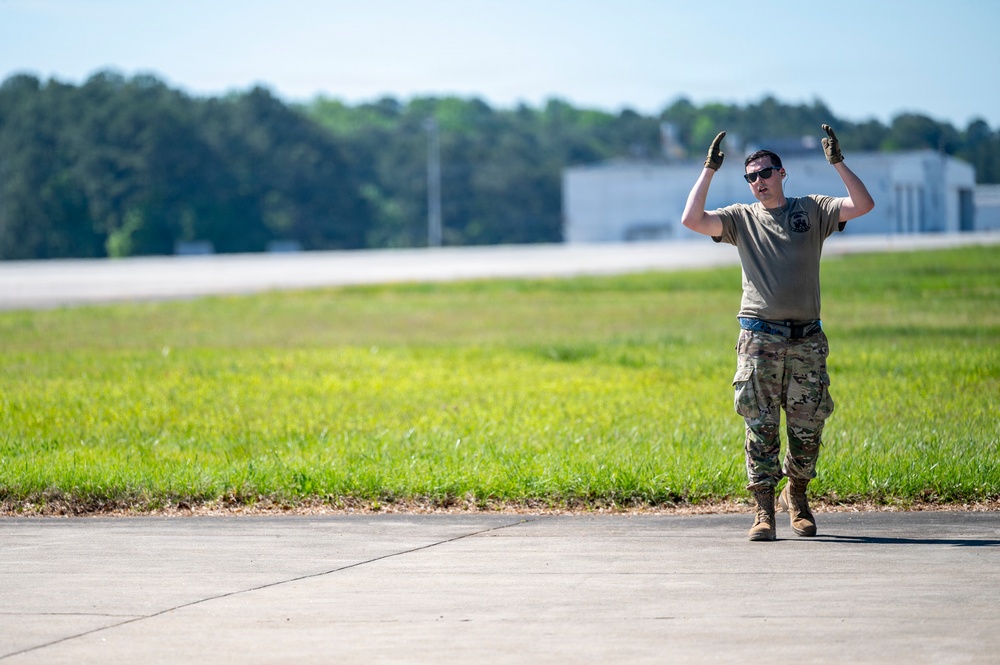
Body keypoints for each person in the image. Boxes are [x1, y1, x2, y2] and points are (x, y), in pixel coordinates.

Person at [680, 125, 874, 541]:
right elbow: (692, 219)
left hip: (805, 338)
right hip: (759, 338)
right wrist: (709, 169)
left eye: (765, 173)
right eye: (750, 177)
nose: (758, 182)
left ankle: (798, 498)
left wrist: (837, 162)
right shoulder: (740, 219)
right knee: (760, 427)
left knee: (807, 427)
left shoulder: (813, 209)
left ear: (782, 173)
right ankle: (763, 511)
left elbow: (863, 204)